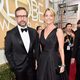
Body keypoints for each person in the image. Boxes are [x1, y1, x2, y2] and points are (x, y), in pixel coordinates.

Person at [5, 7, 40, 80]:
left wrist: (37, 61)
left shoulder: (34, 32)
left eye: (24, 16)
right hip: (18, 69)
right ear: (16, 18)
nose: (22, 18)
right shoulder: (10, 34)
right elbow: (8, 52)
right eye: (19, 16)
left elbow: (37, 48)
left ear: (27, 17)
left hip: (32, 68)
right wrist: (14, 67)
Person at [37, 8, 65, 80]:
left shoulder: (58, 31)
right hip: (43, 61)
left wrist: (63, 64)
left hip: (54, 60)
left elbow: (61, 49)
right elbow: (40, 48)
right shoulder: (41, 32)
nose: (48, 18)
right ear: (44, 17)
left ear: (54, 17)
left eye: (51, 15)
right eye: (46, 15)